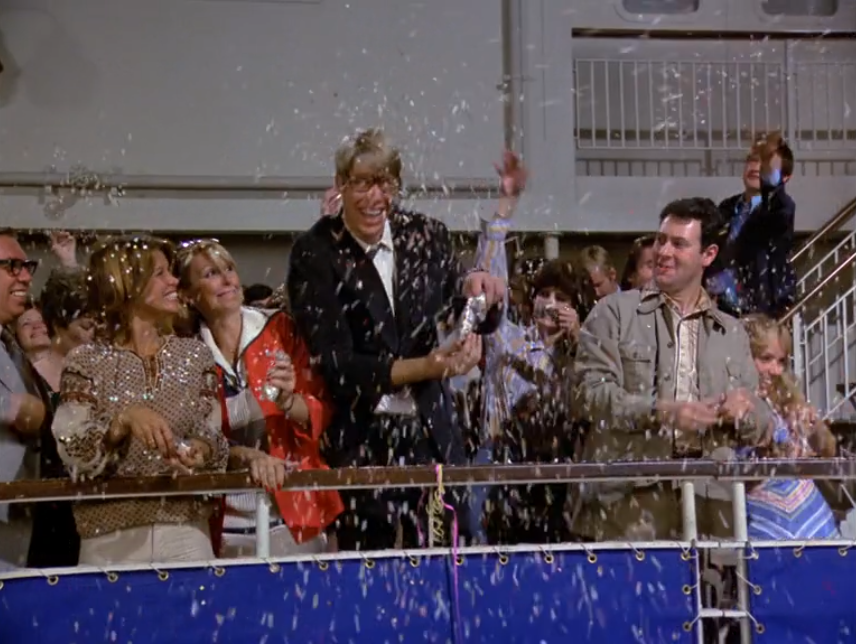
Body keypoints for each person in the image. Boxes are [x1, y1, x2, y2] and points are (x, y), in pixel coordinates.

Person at [288, 128, 505, 550]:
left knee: (446, 563)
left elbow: (461, 313)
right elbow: (336, 366)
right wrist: (426, 367)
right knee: (370, 568)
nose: (375, 197)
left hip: (433, 437)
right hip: (362, 443)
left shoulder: (425, 234)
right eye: (362, 183)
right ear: (340, 184)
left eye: (385, 183)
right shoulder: (315, 252)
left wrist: (481, 297)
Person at [572, 197, 773, 541]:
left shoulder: (731, 332)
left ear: (708, 255)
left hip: (713, 508)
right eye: (660, 240)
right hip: (630, 508)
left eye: (679, 244)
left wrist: (746, 411)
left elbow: (763, 425)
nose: (663, 252)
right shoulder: (613, 313)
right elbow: (587, 398)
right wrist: (663, 412)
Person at [52, 235, 229, 564]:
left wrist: (198, 452)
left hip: (185, 530)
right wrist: (122, 421)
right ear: (126, 283)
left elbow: (212, 434)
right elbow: (73, 450)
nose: (174, 281)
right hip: (109, 537)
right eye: (160, 273)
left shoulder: (195, 356)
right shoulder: (85, 362)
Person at [175, 239, 342, 558]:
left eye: (229, 269)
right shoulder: (182, 351)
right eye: (211, 274)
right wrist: (243, 456)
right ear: (187, 294)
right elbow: (188, 436)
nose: (227, 280)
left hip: (291, 511)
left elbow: (321, 410)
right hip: (218, 520)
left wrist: (289, 403)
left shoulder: (280, 329)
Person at [741, 314, 838, 540]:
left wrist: (815, 428)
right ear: (743, 356)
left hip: (816, 523)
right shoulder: (731, 402)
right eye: (766, 359)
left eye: (781, 361)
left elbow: (828, 451)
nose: (776, 370)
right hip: (764, 526)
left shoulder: (786, 397)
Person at [707, 132, 796, 318]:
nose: (757, 167)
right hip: (722, 307)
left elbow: (756, 235)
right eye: (752, 160)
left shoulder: (781, 208)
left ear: (785, 177)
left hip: (761, 309)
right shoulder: (727, 207)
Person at [0, 229, 48, 570]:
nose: (26, 277)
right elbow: (24, 412)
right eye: (11, 266)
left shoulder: (11, 344)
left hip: (20, 513)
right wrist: (14, 408)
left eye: (27, 266)